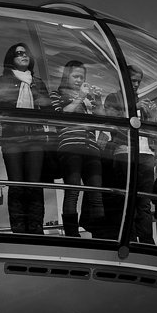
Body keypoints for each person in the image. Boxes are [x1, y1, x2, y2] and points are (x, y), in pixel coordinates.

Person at [0, 43, 52, 234]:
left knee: (34, 184)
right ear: (11, 59)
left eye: (26, 53)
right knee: (17, 184)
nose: (24, 56)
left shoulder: (38, 82)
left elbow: (48, 109)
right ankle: (19, 228)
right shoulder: (2, 81)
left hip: (35, 138)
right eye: (19, 54)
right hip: (12, 138)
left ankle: (35, 228)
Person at [101, 65, 157, 243]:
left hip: (146, 154)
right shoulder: (113, 97)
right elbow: (112, 120)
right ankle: (130, 239)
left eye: (138, 82)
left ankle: (147, 241)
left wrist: (152, 113)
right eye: (132, 80)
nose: (136, 84)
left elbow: (152, 129)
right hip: (124, 152)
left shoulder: (141, 100)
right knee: (127, 201)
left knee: (144, 203)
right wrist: (134, 106)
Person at [50, 61, 104, 237]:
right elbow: (61, 115)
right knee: (73, 189)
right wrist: (80, 97)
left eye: (82, 77)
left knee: (96, 191)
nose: (79, 80)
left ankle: (98, 233)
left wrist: (98, 102)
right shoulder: (56, 94)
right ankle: (71, 233)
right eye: (76, 76)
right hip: (70, 145)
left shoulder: (88, 98)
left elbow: (102, 119)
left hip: (91, 146)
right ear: (67, 76)